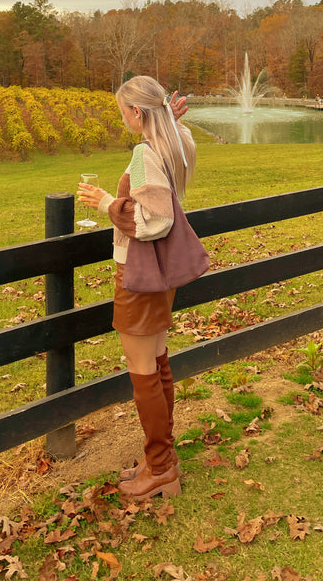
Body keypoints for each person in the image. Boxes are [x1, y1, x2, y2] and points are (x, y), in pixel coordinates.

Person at [77, 77, 195, 501]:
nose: (121, 118)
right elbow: (174, 138)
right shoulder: (177, 143)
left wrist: (108, 201)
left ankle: (161, 468)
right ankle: (161, 460)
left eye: (124, 112)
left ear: (138, 114)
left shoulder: (146, 153)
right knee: (158, 361)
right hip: (161, 277)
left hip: (140, 274)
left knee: (143, 370)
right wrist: (168, 122)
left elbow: (156, 221)